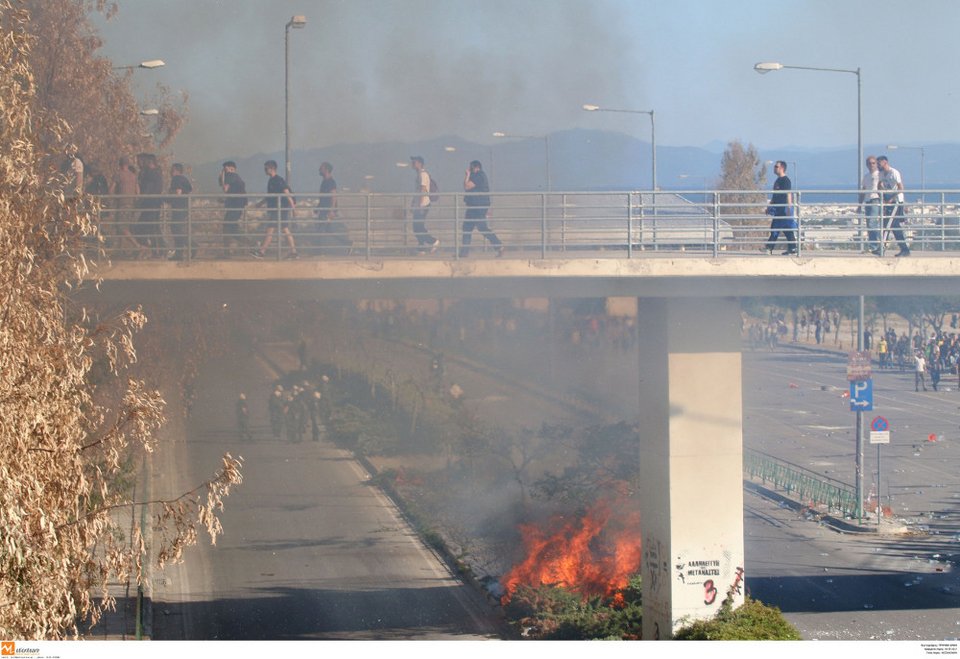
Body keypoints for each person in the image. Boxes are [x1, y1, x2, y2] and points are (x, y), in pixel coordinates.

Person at [251, 160, 298, 260]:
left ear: (272, 168)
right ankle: (294, 252)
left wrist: (293, 208)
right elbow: (269, 196)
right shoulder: (272, 180)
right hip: (278, 209)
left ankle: (262, 252)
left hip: (279, 209)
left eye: (266, 168)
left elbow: (286, 192)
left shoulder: (277, 180)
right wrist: (259, 204)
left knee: (270, 230)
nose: (265, 170)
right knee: (285, 229)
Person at [460, 160, 503, 258]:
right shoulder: (476, 176)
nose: (469, 169)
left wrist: (467, 175)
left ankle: (499, 246)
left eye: (471, 168)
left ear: (476, 167)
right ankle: (464, 252)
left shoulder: (479, 176)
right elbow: (466, 186)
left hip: (478, 206)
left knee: (482, 228)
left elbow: (467, 186)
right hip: (473, 206)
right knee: (467, 228)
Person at [877, 155, 910, 257]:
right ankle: (883, 248)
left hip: (896, 202)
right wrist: (882, 194)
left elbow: (900, 188)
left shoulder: (894, 173)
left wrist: (892, 199)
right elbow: (879, 185)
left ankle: (904, 249)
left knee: (894, 225)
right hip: (888, 202)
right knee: (886, 224)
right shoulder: (882, 174)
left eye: (879, 163)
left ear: (885, 162)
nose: (878, 165)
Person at [315, 161, 351, 253]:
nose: (319, 170)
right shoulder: (324, 182)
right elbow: (323, 197)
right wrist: (318, 207)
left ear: (326, 170)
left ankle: (319, 252)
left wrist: (331, 210)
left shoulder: (330, 181)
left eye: (321, 168)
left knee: (320, 230)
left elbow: (333, 196)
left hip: (327, 211)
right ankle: (347, 243)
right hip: (323, 209)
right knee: (328, 229)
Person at [763, 161, 797, 255]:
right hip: (778, 209)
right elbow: (775, 196)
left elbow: (788, 194)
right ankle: (791, 248)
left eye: (776, 166)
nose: (774, 168)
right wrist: (769, 206)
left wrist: (789, 208)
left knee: (781, 228)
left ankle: (770, 248)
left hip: (784, 209)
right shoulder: (777, 181)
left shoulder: (786, 180)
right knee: (781, 228)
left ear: (782, 168)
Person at [410, 156, 439, 254]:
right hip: (419, 204)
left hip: (423, 204)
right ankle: (421, 247)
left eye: (414, 162)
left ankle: (433, 241)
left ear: (419, 163)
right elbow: (417, 191)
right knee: (418, 226)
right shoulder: (419, 174)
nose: (412, 164)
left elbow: (422, 190)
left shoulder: (423, 174)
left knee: (418, 226)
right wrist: (413, 204)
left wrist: (419, 206)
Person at [136, 153, 164, 257]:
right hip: (152, 203)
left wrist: (140, 201)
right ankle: (158, 250)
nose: (138, 163)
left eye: (140, 161)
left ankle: (156, 250)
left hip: (151, 204)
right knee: (152, 227)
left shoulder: (150, 173)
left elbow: (147, 190)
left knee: (145, 227)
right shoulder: (156, 172)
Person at [219, 161, 247, 257]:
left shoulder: (231, 175)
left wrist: (223, 174)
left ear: (231, 168)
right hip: (237, 205)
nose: (225, 171)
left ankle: (228, 252)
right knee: (231, 228)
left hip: (235, 206)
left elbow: (225, 188)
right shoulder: (236, 177)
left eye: (225, 169)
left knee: (227, 227)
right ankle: (252, 244)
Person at [167, 163, 193, 260]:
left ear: (176, 170)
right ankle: (180, 252)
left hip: (178, 207)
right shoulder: (184, 179)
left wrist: (169, 196)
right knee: (177, 229)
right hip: (184, 207)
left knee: (175, 229)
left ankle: (189, 247)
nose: (170, 172)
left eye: (172, 170)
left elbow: (178, 193)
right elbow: (190, 190)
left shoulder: (176, 179)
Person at [859, 156, 881, 252]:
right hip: (868, 201)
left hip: (876, 200)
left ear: (876, 163)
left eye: (873, 163)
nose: (871, 165)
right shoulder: (866, 176)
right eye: (869, 163)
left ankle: (877, 245)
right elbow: (863, 191)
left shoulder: (880, 175)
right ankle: (874, 246)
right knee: (870, 224)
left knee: (873, 223)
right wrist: (860, 205)